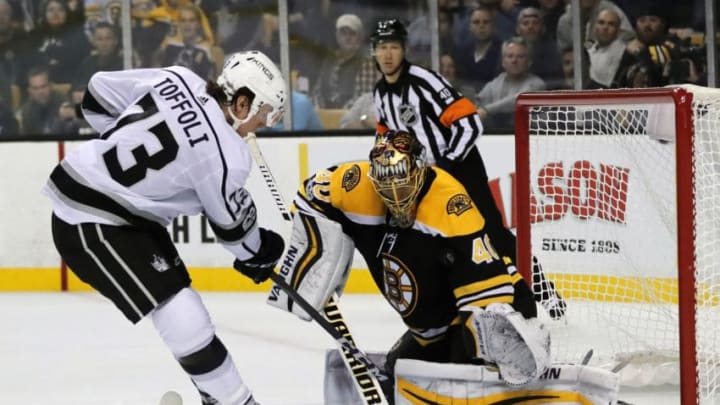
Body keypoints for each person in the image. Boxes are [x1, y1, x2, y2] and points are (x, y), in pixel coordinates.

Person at [41, 50, 288, 405]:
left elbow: (95, 94)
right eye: (264, 114)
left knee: (180, 299)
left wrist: (123, 142)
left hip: (109, 205)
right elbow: (235, 235)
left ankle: (221, 396)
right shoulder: (228, 156)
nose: (264, 125)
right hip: (92, 219)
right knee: (178, 306)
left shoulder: (178, 77)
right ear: (242, 102)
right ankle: (231, 399)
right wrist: (260, 252)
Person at [288, 130, 549, 401]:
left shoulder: (450, 205)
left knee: (461, 379)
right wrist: (312, 253)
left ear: (420, 169)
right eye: (384, 184)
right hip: (430, 329)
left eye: (401, 183)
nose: (394, 194)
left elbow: (485, 298)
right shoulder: (355, 185)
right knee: (396, 378)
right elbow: (309, 196)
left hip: (486, 311)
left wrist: (479, 354)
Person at [370, 18, 566, 319]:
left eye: (393, 46)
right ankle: (464, 300)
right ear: (374, 51)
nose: (388, 54)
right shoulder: (381, 93)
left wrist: (449, 162)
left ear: (404, 49)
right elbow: (387, 136)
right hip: (428, 177)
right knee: (435, 240)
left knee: (492, 236)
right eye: (382, 47)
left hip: (460, 166)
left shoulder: (424, 81)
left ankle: (545, 295)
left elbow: (469, 122)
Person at [476, 36, 546, 129]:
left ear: (529, 62)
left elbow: (518, 99)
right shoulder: (495, 83)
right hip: (496, 137)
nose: (514, 61)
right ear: (503, 62)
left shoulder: (537, 84)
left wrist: (487, 110)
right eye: (510, 56)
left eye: (520, 56)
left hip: (528, 136)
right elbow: (478, 102)